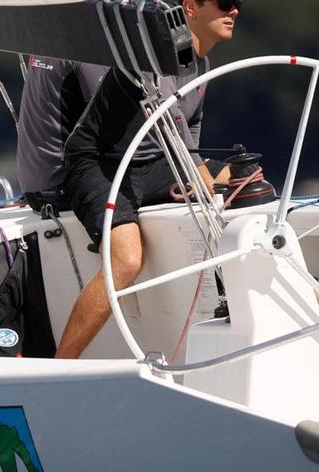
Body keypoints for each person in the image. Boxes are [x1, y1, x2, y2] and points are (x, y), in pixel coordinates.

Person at [55, 0, 239, 359]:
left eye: (237, 4)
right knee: (126, 260)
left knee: (244, 177)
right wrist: (197, 173)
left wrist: (201, 172)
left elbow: (193, 122)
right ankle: (60, 364)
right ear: (191, 8)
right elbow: (173, 118)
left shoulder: (201, 62)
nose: (233, 12)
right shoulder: (156, 53)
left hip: (152, 163)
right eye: (224, 3)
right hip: (97, 162)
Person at [17, 56, 108, 213]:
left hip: (35, 190)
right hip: (66, 187)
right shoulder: (87, 50)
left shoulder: (46, 48)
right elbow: (108, 114)